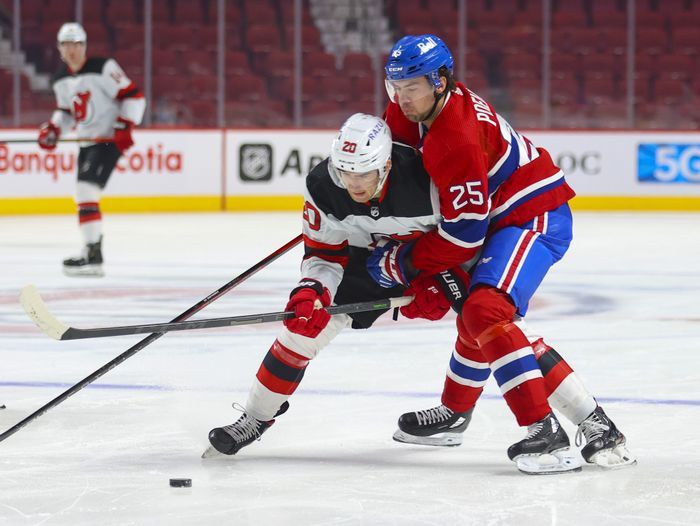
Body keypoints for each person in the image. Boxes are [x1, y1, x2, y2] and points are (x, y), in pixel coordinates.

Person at [204, 114, 625, 473]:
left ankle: (592, 420)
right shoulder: (323, 186)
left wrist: (437, 280)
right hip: (372, 257)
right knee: (304, 327)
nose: (353, 184)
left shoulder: (428, 181)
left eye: (363, 174)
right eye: (345, 172)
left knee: (491, 321)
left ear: (386, 166)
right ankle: (256, 417)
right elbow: (324, 255)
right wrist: (310, 291)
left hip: (439, 256)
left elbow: (467, 238)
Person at [371, 33, 634, 471]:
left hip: (533, 217)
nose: (400, 97)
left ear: (439, 81)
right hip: (495, 219)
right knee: (478, 313)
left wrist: (404, 264)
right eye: (394, 86)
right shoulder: (409, 110)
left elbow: (462, 238)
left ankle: (546, 433)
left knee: (485, 310)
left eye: (411, 86)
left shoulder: (455, 137)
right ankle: (461, 413)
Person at [38, 22, 146, 277]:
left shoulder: (103, 67)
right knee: (84, 195)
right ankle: (92, 253)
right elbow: (66, 113)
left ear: (84, 46)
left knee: (85, 190)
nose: (72, 49)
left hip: (108, 140)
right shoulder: (60, 79)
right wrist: (53, 129)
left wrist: (125, 124)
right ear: (59, 48)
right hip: (87, 142)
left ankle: (94, 255)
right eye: (66, 44)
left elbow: (133, 96)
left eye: (77, 44)